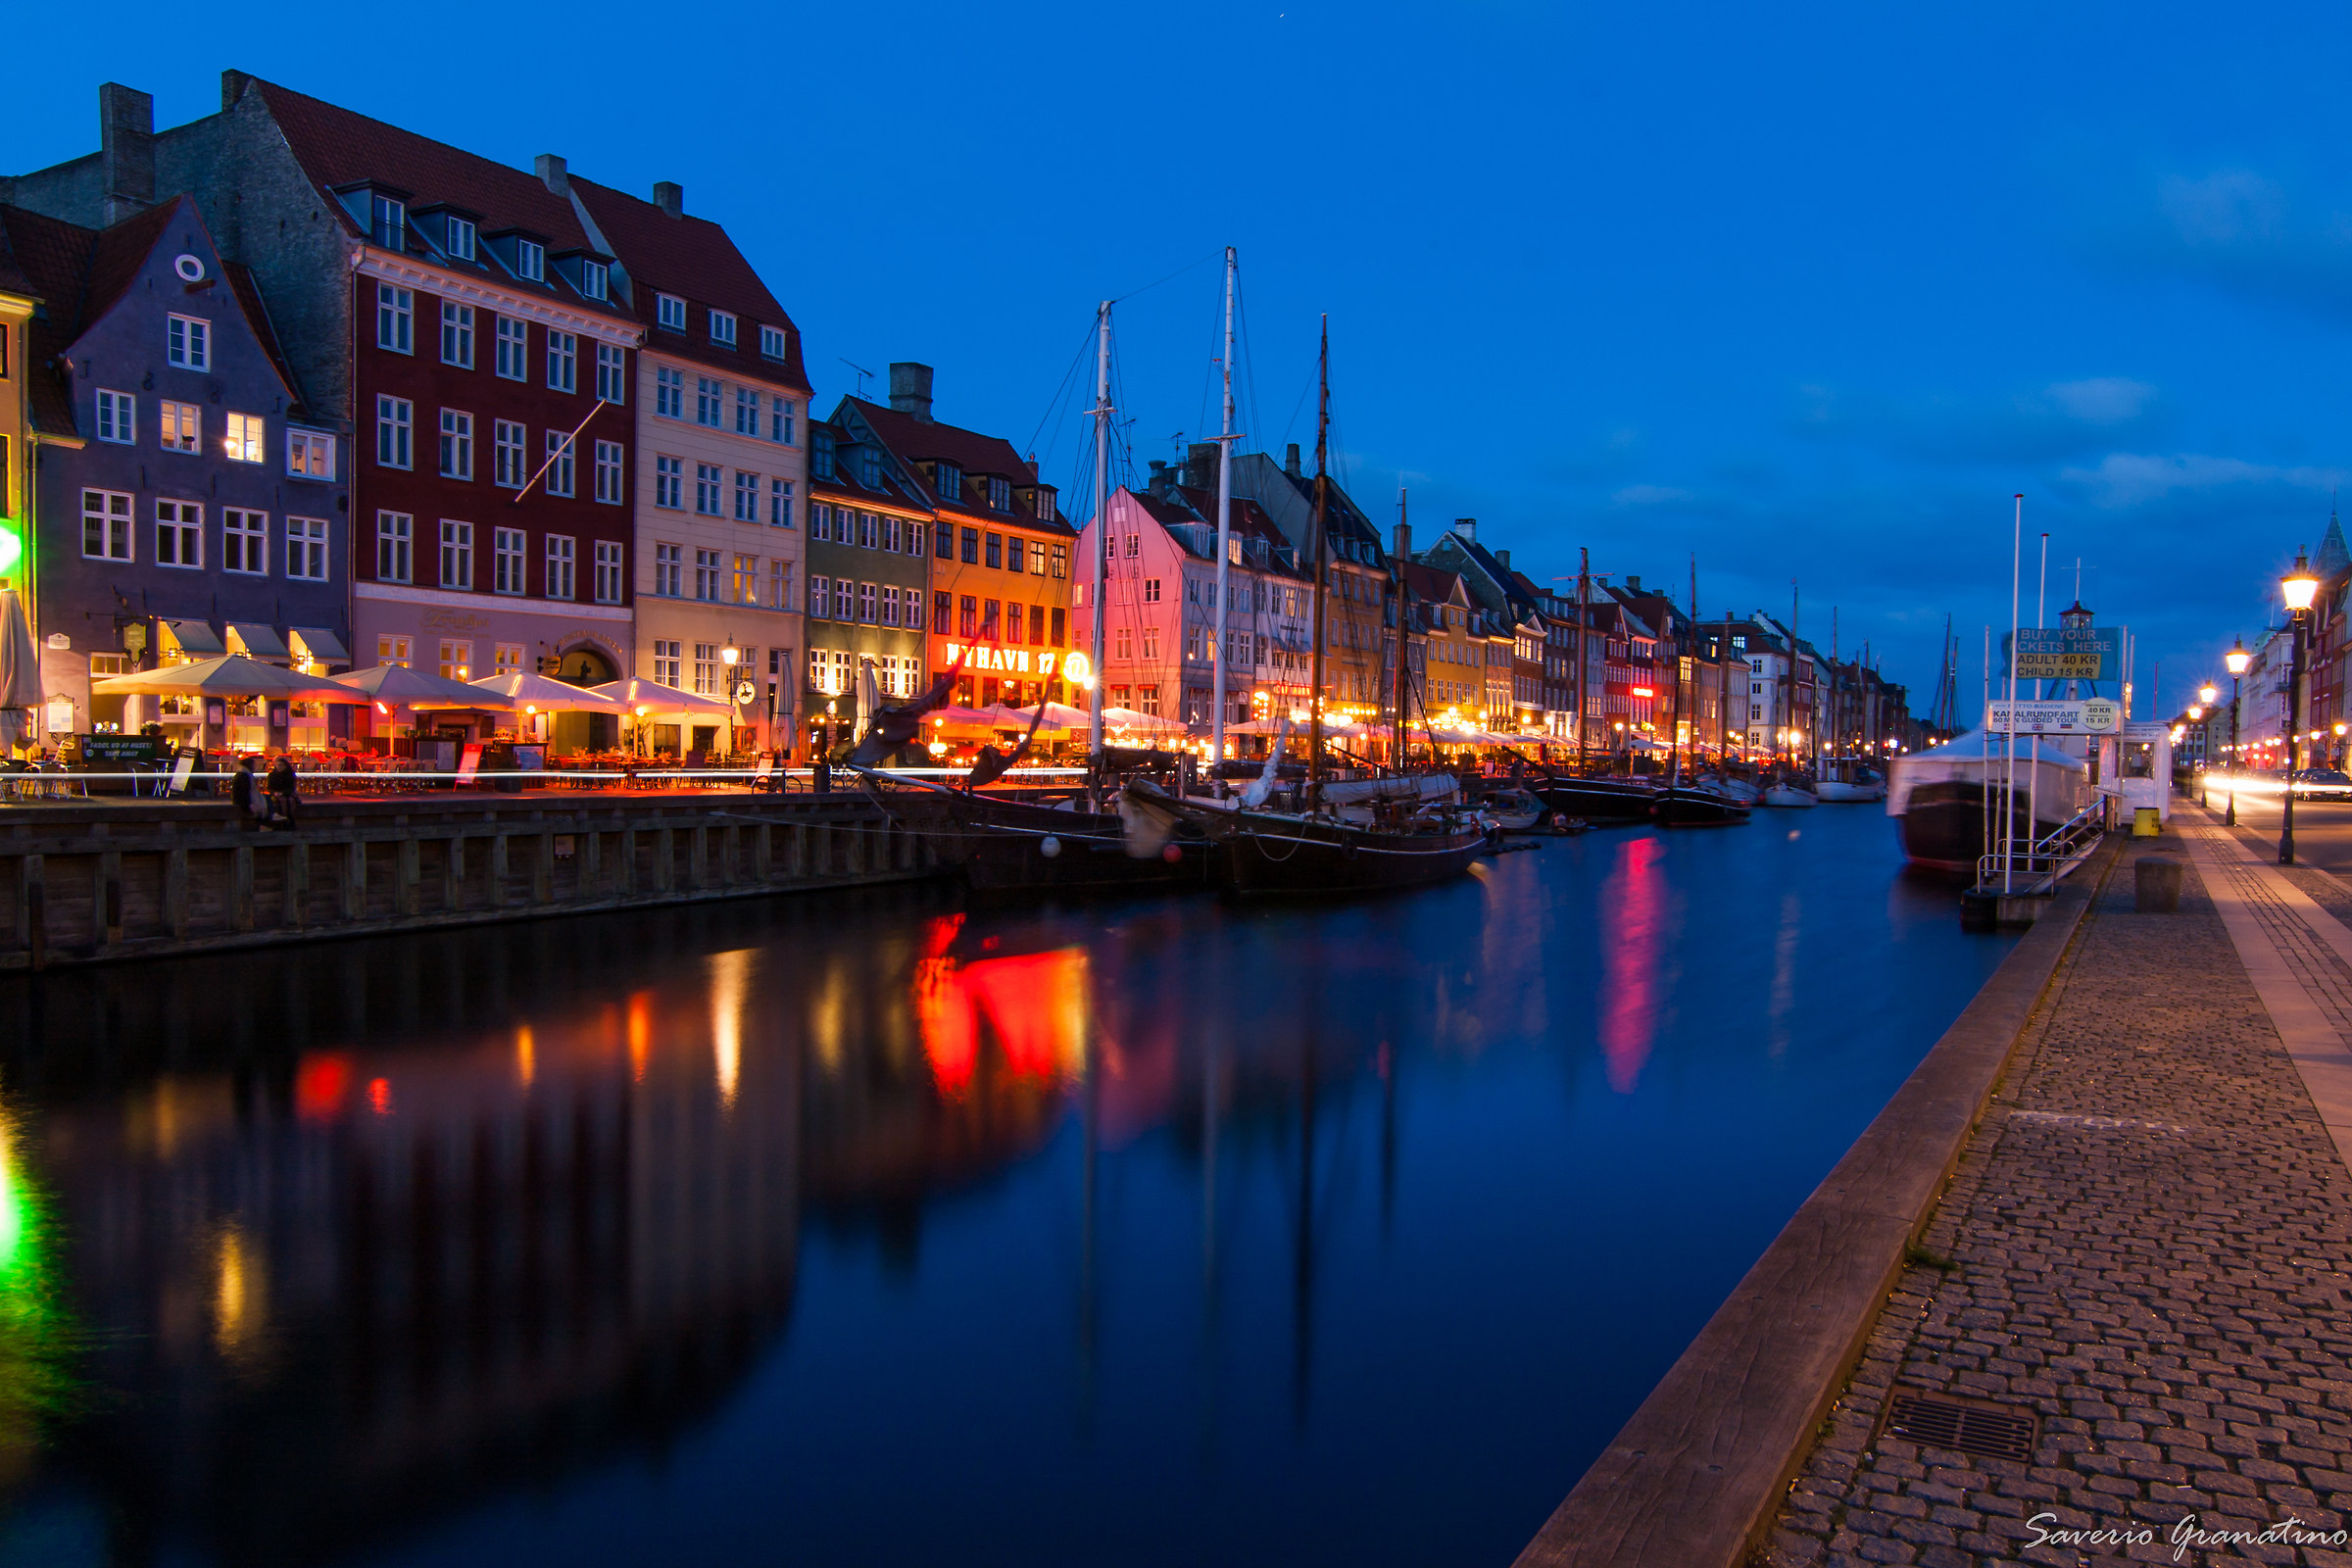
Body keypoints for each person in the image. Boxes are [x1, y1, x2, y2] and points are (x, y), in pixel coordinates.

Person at [229, 755, 270, 830]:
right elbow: (243, 793)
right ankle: (266, 823)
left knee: (267, 798)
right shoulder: (244, 776)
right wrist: (249, 804)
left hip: (242, 800)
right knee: (266, 801)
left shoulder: (243, 774)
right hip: (244, 803)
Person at [267, 755, 299, 826]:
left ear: (285, 766)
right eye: (278, 765)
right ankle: (285, 820)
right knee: (283, 800)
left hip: (288, 793)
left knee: (290, 800)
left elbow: (292, 788)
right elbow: (269, 787)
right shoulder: (272, 775)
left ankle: (291, 819)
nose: (279, 767)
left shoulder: (290, 775)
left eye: (281, 765)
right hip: (276, 793)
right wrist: (274, 793)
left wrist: (283, 792)